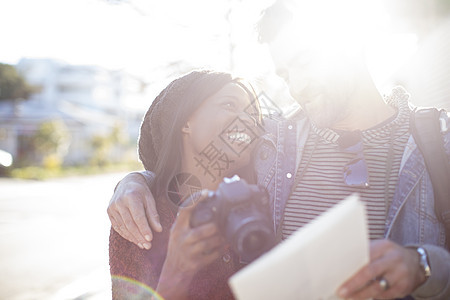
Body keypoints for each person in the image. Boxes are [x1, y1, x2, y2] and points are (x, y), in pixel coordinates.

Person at [108, 1, 450, 299]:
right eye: (286, 74)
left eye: (305, 61)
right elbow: (191, 159)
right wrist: (137, 182)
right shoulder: (270, 137)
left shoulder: (439, 146)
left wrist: (422, 265)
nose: (297, 85)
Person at [109, 70, 264, 299]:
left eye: (253, 114)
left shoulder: (263, 202)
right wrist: (177, 270)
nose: (249, 121)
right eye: (230, 105)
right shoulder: (140, 218)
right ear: (185, 122)